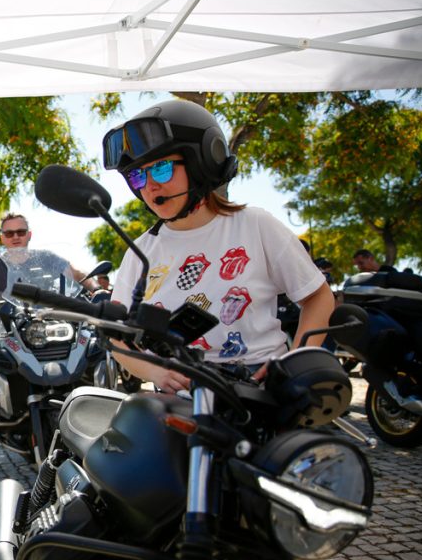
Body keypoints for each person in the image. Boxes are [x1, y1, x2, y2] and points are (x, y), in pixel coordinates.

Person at [101, 99, 335, 393]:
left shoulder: (255, 225)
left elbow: (318, 296)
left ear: (201, 163)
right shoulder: (139, 251)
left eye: (160, 169)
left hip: (259, 390)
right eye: (138, 175)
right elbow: (116, 335)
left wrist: (293, 364)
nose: (149, 186)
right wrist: (155, 372)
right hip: (179, 396)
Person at [0, 213, 91, 489]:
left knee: (90, 356)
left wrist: (97, 290)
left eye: (20, 231)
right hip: (13, 335)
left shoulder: (47, 258)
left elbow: (78, 275)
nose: (16, 237)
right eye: (9, 233)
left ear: (29, 234)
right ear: (2, 237)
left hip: (52, 331)